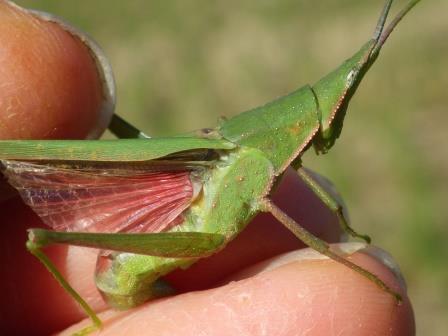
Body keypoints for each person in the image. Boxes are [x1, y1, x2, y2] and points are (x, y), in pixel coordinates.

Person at [0, 2, 414, 335]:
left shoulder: (274, 156)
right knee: (42, 236)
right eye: (332, 111)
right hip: (135, 262)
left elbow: (298, 164)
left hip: (205, 196)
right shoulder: (256, 161)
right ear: (305, 119)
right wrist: (327, 251)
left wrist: (341, 218)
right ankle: (92, 325)